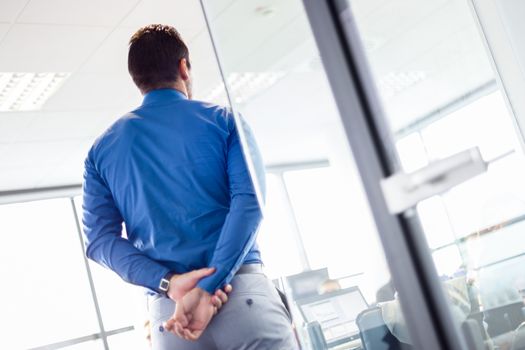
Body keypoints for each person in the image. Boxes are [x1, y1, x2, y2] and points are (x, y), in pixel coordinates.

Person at [82, 24, 298, 349]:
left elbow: (100, 241)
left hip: (172, 317)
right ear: (184, 67)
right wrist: (210, 285)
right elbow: (249, 202)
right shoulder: (224, 121)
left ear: (136, 79)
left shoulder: (100, 152)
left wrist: (169, 283)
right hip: (240, 294)